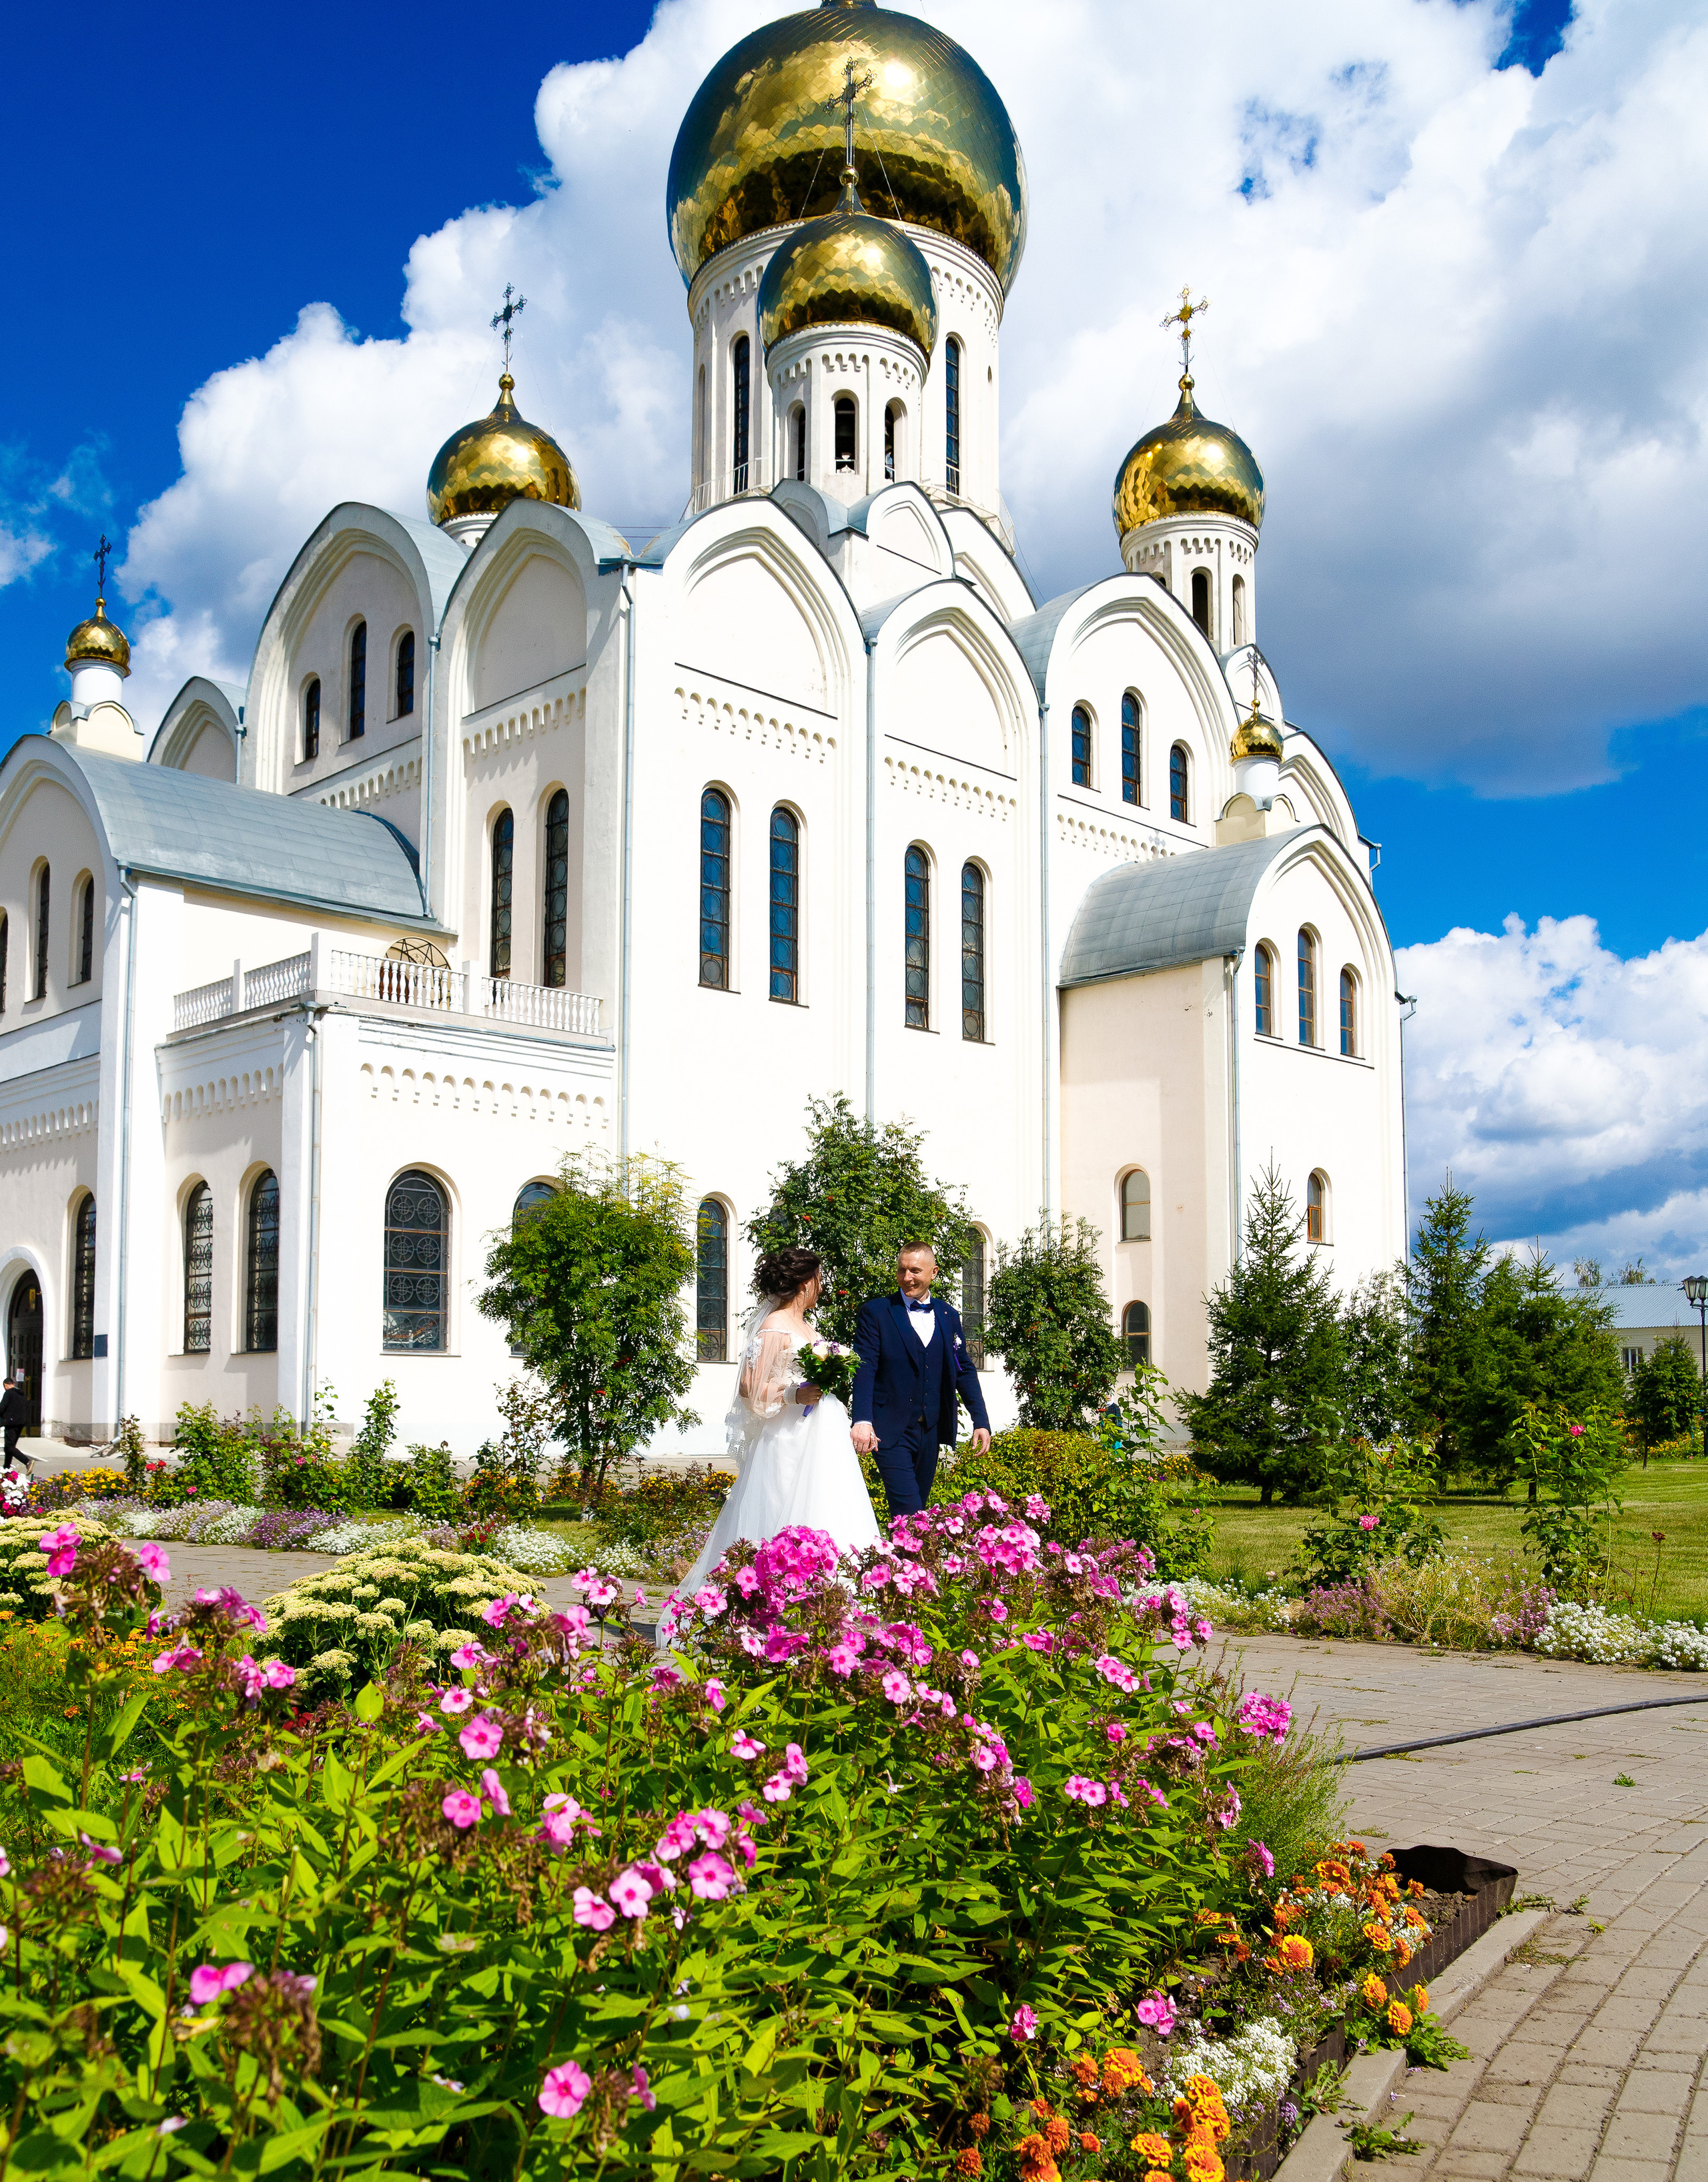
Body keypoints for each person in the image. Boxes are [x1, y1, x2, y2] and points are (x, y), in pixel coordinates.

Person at [676, 1246, 881, 1595]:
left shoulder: (805, 1325)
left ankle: (830, 1592)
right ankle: (776, 1593)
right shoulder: (774, 1326)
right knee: (781, 1504)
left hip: (822, 1432)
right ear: (805, 1283)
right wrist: (793, 1395)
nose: (821, 1286)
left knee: (828, 1499)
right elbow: (749, 1387)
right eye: (818, 1279)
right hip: (789, 1435)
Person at [850, 1242, 991, 1519]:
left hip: (931, 1430)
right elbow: (865, 1367)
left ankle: (898, 1549)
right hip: (889, 1429)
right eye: (901, 1270)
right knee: (910, 1511)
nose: (907, 1278)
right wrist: (862, 1419)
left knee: (916, 1513)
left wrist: (981, 1420)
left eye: (915, 1270)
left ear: (933, 1272)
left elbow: (964, 1370)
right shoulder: (876, 1312)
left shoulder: (949, 1315)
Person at [0, 1371, 28, 1475]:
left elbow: (2, 1408)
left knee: (10, 1447)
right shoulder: (22, 1394)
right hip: (21, 1423)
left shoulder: (9, 1393)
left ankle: (27, 1461)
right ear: (13, 1384)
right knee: (9, 1447)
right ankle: (6, 1469)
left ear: (5, 1385)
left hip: (11, 1423)